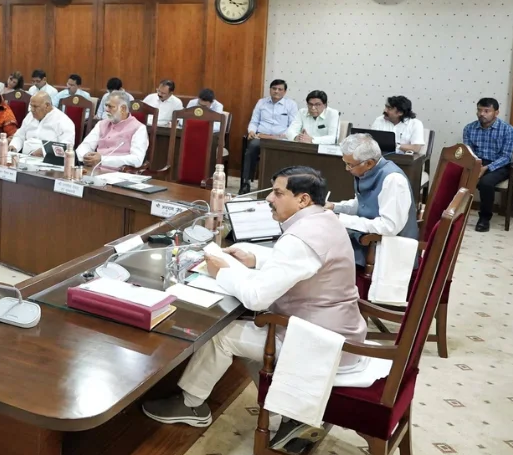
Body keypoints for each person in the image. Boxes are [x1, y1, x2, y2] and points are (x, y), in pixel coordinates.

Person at [143, 167, 367, 434]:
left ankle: (190, 405)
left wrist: (221, 272)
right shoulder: (325, 220)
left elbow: (256, 298)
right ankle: (280, 412)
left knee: (222, 335)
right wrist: (255, 259)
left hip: (319, 342)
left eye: (278, 193)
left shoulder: (300, 238)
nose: (269, 199)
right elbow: (304, 265)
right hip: (340, 330)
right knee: (248, 330)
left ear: (303, 199)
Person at [326, 133, 418, 267]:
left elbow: (389, 227)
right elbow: (363, 205)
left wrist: (343, 219)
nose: (347, 169)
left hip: (388, 253)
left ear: (369, 163)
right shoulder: (367, 172)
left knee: (329, 257)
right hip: (370, 242)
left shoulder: (393, 180)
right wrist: (334, 207)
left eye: (350, 165)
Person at [462, 97, 513, 232]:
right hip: (477, 162)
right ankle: (450, 213)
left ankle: (484, 219)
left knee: (486, 183)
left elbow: (506, 157)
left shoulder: (508, 130)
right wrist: (476, 166)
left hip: (499, 165)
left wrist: (486, 168)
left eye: (487, 111)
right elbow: (469, 152)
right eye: (479, 110)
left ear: (496, 113)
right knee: (453, 174)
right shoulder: (469, 128)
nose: (482, 114)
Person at [241, 79, 298, 194]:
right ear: (270, 89)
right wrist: (251, 131)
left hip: (280, 139)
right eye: (274, 88)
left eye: (280, 89)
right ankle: (245, 182)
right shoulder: (261, 102)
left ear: (285, 92)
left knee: (284, 153)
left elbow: (293, 125)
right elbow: (254, 121)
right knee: (251, 148)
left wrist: (284, 135)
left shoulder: (291, 104)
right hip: (261, 137)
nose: (276, 91)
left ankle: (281, 184)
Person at [75, 95, 148, 174]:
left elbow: (137, 159)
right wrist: (85, 157)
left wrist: (102, 160)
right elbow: (86, 145)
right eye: (106, 106)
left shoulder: (139, 128)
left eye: (110, 107)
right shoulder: (101, 124)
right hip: (94, 170)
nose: (106, 109)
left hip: (119, 174)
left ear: (123, 109)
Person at [11, 92, 76, 156]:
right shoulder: (30, 116)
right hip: (25, 157)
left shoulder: (63, 121)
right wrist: (14, 146)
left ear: (47, 105)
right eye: (31, 106)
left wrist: (45, 151)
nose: (32, 110)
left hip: (48, 159)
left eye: (35, 106)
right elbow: (19, 136)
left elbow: (66, 146)